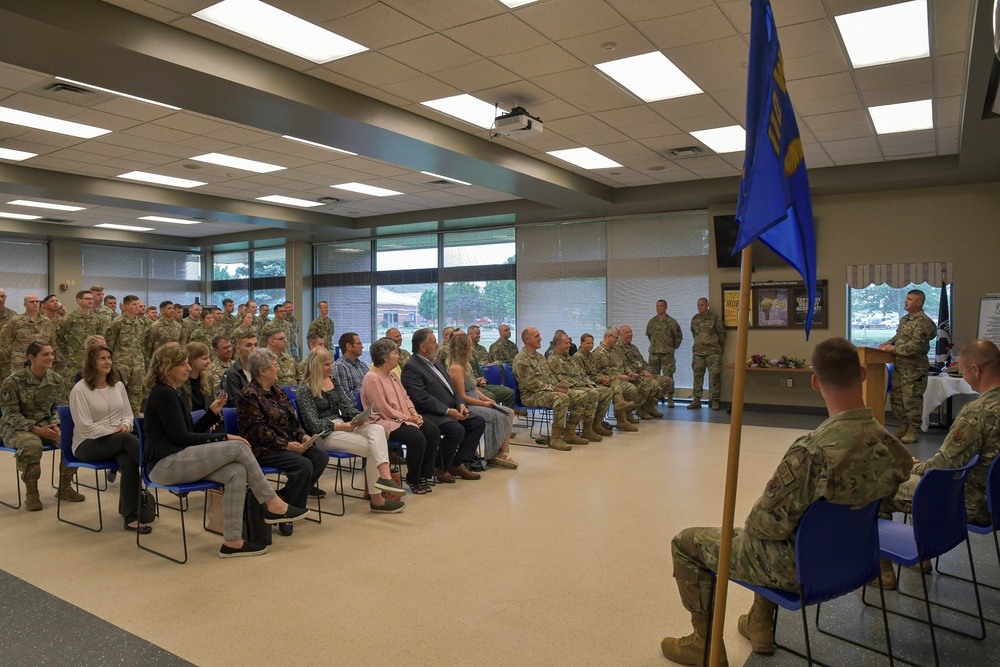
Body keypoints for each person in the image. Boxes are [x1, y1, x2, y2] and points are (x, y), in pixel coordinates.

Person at [659, 338, 913, 664]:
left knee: (687, 542)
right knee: (787, 525)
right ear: (863, 374)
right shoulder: (889, 443)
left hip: (803, 569)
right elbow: (897, 497)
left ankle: (703, 646)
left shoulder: (812, 451)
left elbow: (762, 525)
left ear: (815, 382)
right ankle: (759, 623)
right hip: (857, 558)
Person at [143, 345, 309, 557]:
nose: (187, 367)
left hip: (179, 458)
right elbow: (181, 438)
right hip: (164, 465)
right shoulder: (162, 394)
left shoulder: (171, 393)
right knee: (239, 445)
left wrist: (211, 414)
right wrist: (224, 436)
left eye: (187, 363)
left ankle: (233, 542)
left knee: (236, 472)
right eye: (182, 364)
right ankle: (272, 503)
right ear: (167, 367)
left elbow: (188, 432)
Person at [883, 340, 1000, 571]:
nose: (965, 377)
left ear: (975, 369)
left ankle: (886, 570)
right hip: (995, 499)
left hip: (973, 503)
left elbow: (942, 467)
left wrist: (913, 467)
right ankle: (919, 556)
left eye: (964, 371)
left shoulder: (978, 412)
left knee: (881, 486)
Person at [296, 347, 406, 513]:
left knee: (376, 429)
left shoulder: (332, 380)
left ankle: (385, 477)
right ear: (316, 366)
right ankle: (377, 499)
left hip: (344, 425)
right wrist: (341, 426)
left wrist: (358, 417)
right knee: (373, 448)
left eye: (330, 364)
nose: (330, 368)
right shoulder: (305, 389)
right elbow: (313, 424)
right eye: (326, 365)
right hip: (324, 434)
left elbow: (348, 405)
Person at [236, 348, 330, 537]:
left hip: (288, 443)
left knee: (319, 456)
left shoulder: (277, 390)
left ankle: (284, 498)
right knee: (303, 464)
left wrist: (302, 436)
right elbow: (258, 432)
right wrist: (287, 446)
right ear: (262, 371)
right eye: (274, 366)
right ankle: (285, 514)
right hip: (264, 448)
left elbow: (292, 420)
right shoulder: (248, 395)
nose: (278, 369)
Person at [68, 344, 146, 532]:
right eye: (102, 358)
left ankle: (131, 518)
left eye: (109, 358)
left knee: (128, 459)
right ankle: (156, 465)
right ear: (91, 362)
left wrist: (125, 426)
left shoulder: (117, 386)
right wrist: (115, 432)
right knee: (127, 441)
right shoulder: (80, 390)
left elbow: (128, 414)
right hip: (87, 443)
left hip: (116, 439)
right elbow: (85, 427)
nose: (107, 362)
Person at [0, 341, 81, 511]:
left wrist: (56, 425)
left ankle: (65, 487)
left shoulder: (56, 380)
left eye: (51, 353)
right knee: (31, 446)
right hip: (16, 428)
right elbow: (10, 414)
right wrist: (36, 429)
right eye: (45, 354)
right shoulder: (13, 382)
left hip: (47, 425)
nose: (51, 357)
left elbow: (58, 407)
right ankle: (32, 494)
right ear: (31, 357)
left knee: (75, 441)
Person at [401, 328, 485, 482]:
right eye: (433, 343)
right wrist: (447, 411)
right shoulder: (411, 367)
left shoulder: (436, 363)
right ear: (423, 347)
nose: (438, 345)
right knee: (456, 430)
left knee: (477, 422)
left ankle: (456, 463)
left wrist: (461, 404)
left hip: (451, 409)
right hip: (430, 412)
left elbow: (452, 388)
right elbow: (422, 398)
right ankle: (439, 466)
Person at [362, 337, 441, 494]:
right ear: (385, 358)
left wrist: (414, 413)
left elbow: (405, 397)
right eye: (395, 353)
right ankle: (413, 478)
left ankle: (423, 476)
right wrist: (408, 419)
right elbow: (382, 409)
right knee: (417, 437)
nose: (398, 356)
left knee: (432, 431)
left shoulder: (392, 374)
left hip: (404, 417)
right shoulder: (372, 378)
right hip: (383, 422)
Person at [513, 328, 591, 450]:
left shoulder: (540, 357)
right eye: (537, 336)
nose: (541, 338)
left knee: (581, 395)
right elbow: (531, 384)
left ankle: (569, 433)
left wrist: (560, 386)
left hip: (546, 391)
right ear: (527, 340)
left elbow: (550, 377)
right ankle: (555, 439)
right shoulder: (521, 359)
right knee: (561, 398)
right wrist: (554, 389)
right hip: (531, 395)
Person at [447, 333, 517, 468]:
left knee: (509, 412)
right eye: (469, 346)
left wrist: (488, 399)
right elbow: (462, 396)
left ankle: (502, 452)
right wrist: (484, 404)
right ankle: (496, 454)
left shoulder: (467, 365)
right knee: (496, 415)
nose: (472, 348)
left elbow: (475, 389)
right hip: (468, 405)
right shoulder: (456, 368)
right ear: (463, 348)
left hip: (476, 400)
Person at [879, 289, 937, 444]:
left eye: (910, 299)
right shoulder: (905, 320)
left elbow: (915, 347)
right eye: (906, 298)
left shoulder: (924, 323)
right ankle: (903, 427)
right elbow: (898, 338)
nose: (906, 301)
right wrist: (888, 343)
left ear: (918, 303)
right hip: (899, 367)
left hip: (914, 370)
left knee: (911, 399)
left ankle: (913, 430)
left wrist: (893, 349)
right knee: (897, 398)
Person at [549, 331, 611, 440]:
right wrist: (585, 384)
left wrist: (589, 383)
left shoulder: (568, 358)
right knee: (592, 393)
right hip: (569, 387)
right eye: (566, 343)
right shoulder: (553, 359)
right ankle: (578, 431)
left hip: (581, 385)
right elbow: (563, 379)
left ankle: (595, 425)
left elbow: (582, 373)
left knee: (607, 391)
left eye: (569, 343)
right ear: (558, 345)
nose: (570, 345)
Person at [573, 333, 624, 435]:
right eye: (588, 343)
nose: (590, 345)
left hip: (593, 382)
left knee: (608, 391)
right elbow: (581, 376)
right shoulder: (578, 357)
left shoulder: (591, 355)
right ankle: (588, 427)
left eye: (592, 343)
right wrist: (598, 378)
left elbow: (596, 371)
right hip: (583, 384)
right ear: (581, 343)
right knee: (596, 393)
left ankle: (597, 423)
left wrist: (602, 378)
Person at [591, 327, 641, 430]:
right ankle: (621, 418)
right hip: (607, 380)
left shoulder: (615, 350)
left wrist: (630, 373)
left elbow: (623, 364)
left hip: (619, 378)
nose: (617, 340)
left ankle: (625, 417)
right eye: (616, 338)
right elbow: (603, 371)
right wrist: (620, 376)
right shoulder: (599, 352)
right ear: (609, 336)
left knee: (632, 389)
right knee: (624, 387)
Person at [106, 294, 148, 416]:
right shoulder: (117, 323)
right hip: (121, 363)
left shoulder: (141, 323)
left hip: (137, 362)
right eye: (133, 305)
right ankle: (119, 415)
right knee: (119, 390)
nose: (137, 307)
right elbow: (109, 344)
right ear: (125, 307)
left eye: (138, 304)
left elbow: (141, 344)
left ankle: (134, 415)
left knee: (137, 391)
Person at [618, 324, 669, 419]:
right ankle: (640, 409)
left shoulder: (633, 347)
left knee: (667, 381)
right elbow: (625, 367)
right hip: (633, 377)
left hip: (643, 374)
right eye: (627, 332)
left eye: (631, 331)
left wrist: (647, 370)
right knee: (653, 384)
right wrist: (642, 373)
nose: (630, 334)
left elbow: (643, 362)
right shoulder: (618, 349)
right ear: (620, 335)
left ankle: (650, 405)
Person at [56, 289, 106, 385]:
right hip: (75, 360)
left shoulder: (98, 318)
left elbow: (100, 338)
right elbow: (59, 335)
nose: (91, 301)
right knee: (73, 388)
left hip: (93, 359)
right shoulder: (70, 317)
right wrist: (67, 351)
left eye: (91, 299)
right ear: (79, 300)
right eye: (87, 299)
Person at [0, 295, 57, 379]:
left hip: (41, 363)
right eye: (31, 302)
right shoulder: (16, 321)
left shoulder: (47, 322)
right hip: (20, 363)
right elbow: (5, 340)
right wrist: (8, 358)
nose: (35, 303)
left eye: (37, 301)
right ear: (25, 305)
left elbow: (52, 341)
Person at [689, 297, 726, 411]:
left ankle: (715, 400)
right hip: (698, 352)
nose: (700, 307)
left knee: (714, 376)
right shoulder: (694, 319)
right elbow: (694, 333)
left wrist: (718, 348)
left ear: (707, 305)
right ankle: (697, 399)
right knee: (697, 376)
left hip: (713, 353)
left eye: (702, 305)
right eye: (698, 305)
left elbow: (722, 335)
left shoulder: (715, 318)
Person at [647, 299, 683, 408]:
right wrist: (655, 345)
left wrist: (672, 347)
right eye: (657, 306)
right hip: (654, 353)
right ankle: (654, 399)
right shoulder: (652, 322)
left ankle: (670, 399)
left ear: (666, 307)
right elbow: (649, 335)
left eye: (661, 306)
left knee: (668, 376)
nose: (659, 308)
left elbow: (678, 337)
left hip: (667, 353)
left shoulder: (671, 322)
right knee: (653, 376)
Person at [467, 325, 514, 408]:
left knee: (509, 392)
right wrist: (476, 381)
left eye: (479, 333)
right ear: (470, 334)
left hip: (484, 382)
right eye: (477, 333)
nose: (479, 335)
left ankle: (507, 417)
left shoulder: (482, 348)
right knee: (490, 396)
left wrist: (483, 380)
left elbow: (485, 366)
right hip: (473, 386)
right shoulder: (462, 357)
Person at [179, 342, 218, 413]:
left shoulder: (209, 379)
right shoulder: (180, 383)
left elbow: (212, 407)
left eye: (208, 358)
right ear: (191, 360)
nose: (209, 361)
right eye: (204, 358)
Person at [221, 333, 258, 405]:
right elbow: (237, 404)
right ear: (238, 349)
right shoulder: (231, 374)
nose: (254, 349)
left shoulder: (261, 370)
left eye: (256, 345)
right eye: (248, 345)